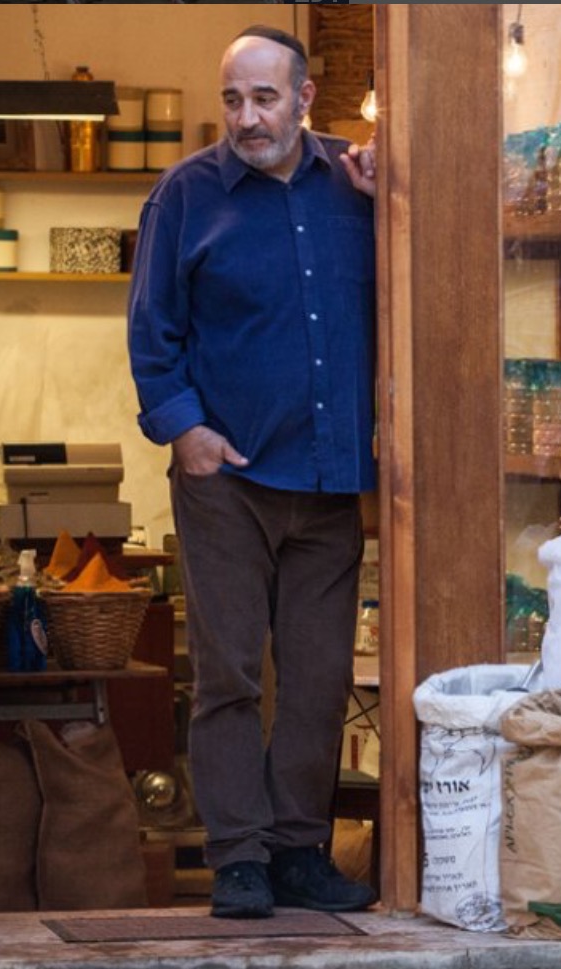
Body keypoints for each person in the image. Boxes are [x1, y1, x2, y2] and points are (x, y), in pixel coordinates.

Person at [127, 24, 380, 920]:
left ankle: (298, 849)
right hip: (226, 479)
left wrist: (401, 203)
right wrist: (184, 431)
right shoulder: (184, 196)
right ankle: (237, 856)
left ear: (305, 99)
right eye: (233, 98)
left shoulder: (361, 182)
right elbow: (152, 331)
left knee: (316, 678)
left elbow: (431, 283)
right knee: (230, 673)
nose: (247, 116)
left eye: (265, 97)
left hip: (330, 476)